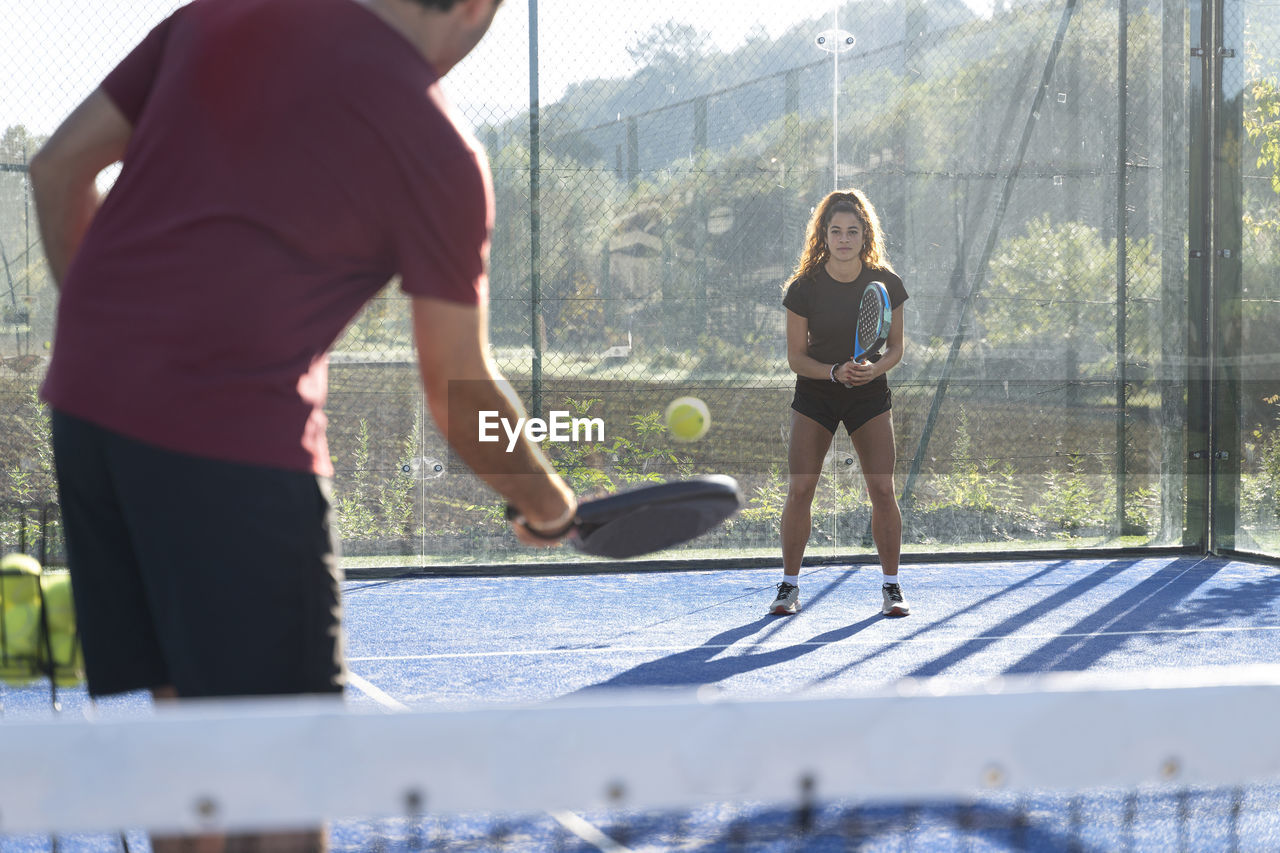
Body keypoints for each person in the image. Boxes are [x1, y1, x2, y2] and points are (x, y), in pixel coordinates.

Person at [30, 0, 575, 849]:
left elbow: (57, 168)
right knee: (288, 783)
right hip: (232, 454)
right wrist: (545, 500)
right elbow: (459, 389)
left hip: (89, 419)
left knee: (188, 766)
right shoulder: (437, 146)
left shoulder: (221, 15)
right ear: (475, 6)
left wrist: (123, 344)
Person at [770, 189, 909, 618]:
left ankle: (891, 587)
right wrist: (833, 372)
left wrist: (873, 368)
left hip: (869, 394)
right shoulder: (803, 288)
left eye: (852, 230)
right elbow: (796, 357)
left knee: (882, 489)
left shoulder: (886, 283)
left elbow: (896, 349)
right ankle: (789, 587)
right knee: (801, 488)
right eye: (835, 231)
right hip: (817, 394)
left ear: (865, 234)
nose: (844, 238)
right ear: (823, 236)